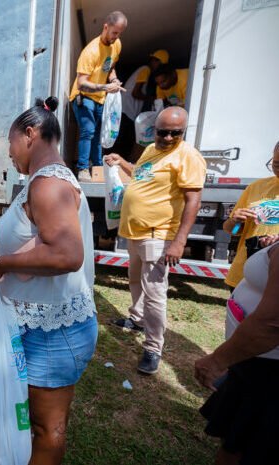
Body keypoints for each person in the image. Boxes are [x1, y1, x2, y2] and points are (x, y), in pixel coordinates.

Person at [0, 96, 97, 465]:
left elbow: (66, 255)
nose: (9, 153)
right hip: (40, 326)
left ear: (30, 135)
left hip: (53, 332)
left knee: (47, 429)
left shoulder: (46, 184)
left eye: (9, 143)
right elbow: (38, 234)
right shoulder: (44, 181)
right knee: (37, 424)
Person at [105, 107, 206, 375]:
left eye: (176, 133)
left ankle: (152, 347)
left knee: (155, 293)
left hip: (158, 234)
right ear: (155, 130)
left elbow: (193, 200)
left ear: (184, 131)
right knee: (135, 280)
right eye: (163, 132)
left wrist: (179, 241)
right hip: (136, 232)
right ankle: (136, 320)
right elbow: (140, 173)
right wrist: (121, 162)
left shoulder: (188, 157)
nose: (170, 138)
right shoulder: (151, 150)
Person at [194, 236, 279, 465]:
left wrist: (217, 361)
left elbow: (272, 324)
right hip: (255, 362)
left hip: (267, 372)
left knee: (244, 446)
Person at [69, 11, 127, 182]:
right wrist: (105, 87)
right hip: (83, 96)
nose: (116, 37)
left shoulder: (116, 45)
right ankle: (83, 169)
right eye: (114, 32)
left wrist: (114, 80)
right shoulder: (91, 51)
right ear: (105, 27)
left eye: (120, 33)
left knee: (98, 137)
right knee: (88, 131)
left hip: (100, 98)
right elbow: (81, 83)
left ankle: (98, 170)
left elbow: (110, 68)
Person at [222, 142, 279, 290]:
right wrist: (236, 222)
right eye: (276, 164)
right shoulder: (256, 187)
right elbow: (233, 231)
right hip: (244, 273)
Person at [118, 50, 169, 160]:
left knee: (124, 140)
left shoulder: (147, 73)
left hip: (128, 111)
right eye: (159, 64)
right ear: (154, 61)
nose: (159, 68)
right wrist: (152, 99)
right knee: (123, 141)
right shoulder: (145, 70)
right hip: (127, 110)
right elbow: (136, 93)